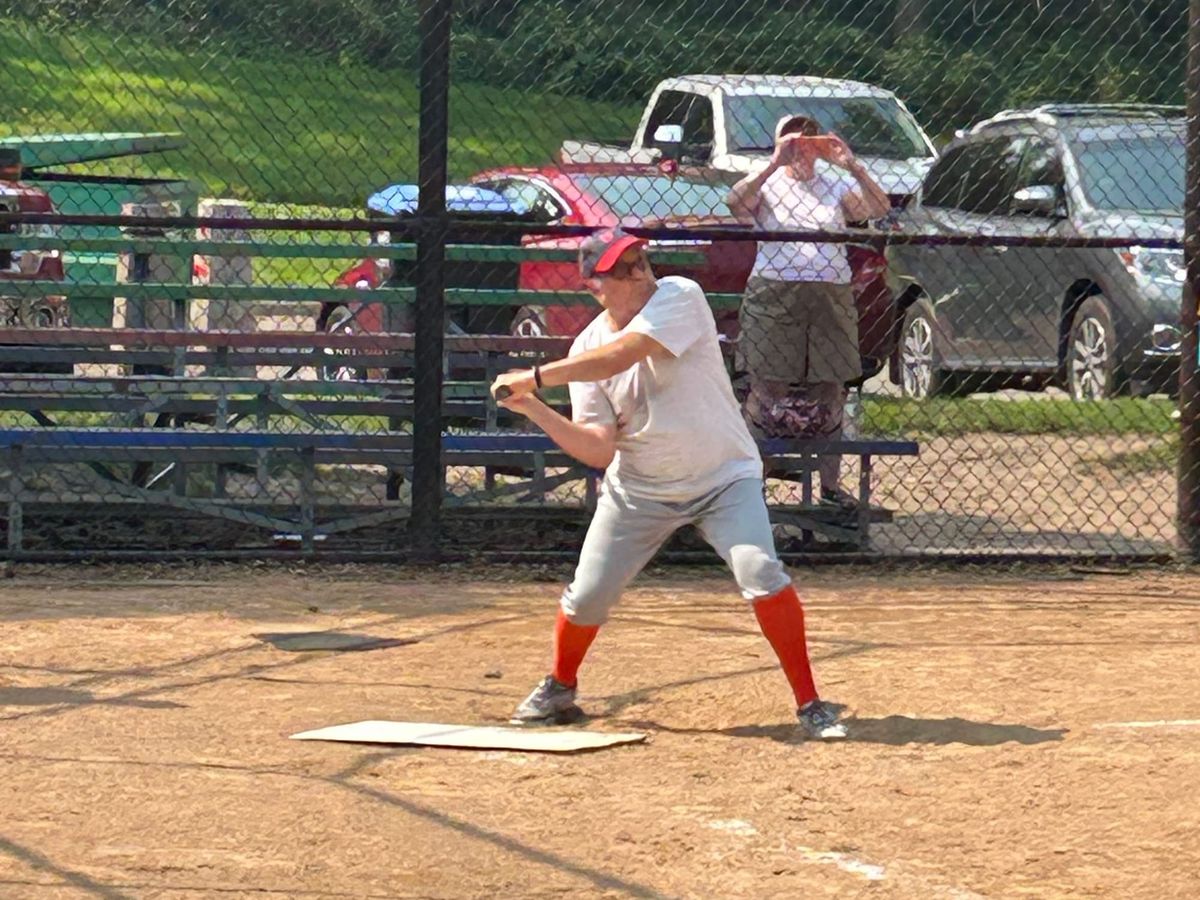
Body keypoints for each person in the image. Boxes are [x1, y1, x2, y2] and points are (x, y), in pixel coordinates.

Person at [489, 228, 846, 740]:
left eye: (639, 260)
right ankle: (560, 687)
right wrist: (535, 408)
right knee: (587, 597)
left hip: (723, 476)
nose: (640, 271)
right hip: (641, 489)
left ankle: (811, 704)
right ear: (596, 287)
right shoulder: (584, 348)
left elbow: (623, 354)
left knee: (761, 571)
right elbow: (598, 447)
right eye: (624, 268)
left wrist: (537, 377)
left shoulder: (679, 295)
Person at [726, 115, 891, 508]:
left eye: (809, 136)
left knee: (830, 384)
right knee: (768, 387)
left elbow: (878, 207)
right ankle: (753, 485)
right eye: (792, 136)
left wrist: (851, 164)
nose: (801, 144)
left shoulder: (835, 183)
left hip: (829, 292)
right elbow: (735, 202)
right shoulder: (766, 183)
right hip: (775, 291)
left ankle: (830, 488)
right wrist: (773, 163)